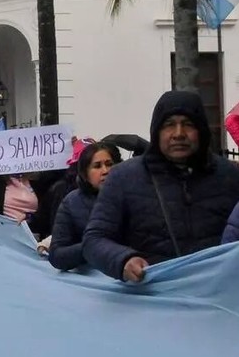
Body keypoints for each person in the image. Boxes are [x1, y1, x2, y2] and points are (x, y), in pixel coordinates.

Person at [84, 91, 239, 282]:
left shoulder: (228, 175)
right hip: (152, 300)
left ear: (201, 130)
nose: (178, 134)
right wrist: (123, 260)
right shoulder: (123, 178)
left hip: (218, 298)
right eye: (169, 125)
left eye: (188, 125)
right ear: (156, 131)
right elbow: (94, 240)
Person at [49, 142, 121, 271]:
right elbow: (57, 256)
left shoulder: (133, 195)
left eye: (109, 164)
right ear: (85, 174)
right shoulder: (71, 203)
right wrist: (92, 246)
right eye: (97, 166)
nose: (105, 171)